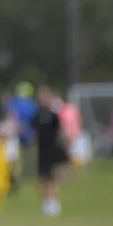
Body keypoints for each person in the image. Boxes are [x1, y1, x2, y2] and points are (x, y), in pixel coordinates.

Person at [32, 85, 69, 217]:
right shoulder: (37, 115)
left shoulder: (53, 116)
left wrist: (64, 148)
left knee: (51, 178)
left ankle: (53, 203)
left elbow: (61, 132)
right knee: (41, 178)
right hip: (42, 150)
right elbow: (34, 132)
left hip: (52, 150)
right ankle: (46, 202)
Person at [8, 82, 38, 178]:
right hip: (24, 131)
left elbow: (11, 115)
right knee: (25, 153)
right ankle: (24, 172)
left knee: (15, 154)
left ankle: (16, 172)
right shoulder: (31, 103)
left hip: (20, 130)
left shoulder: (15, 102)